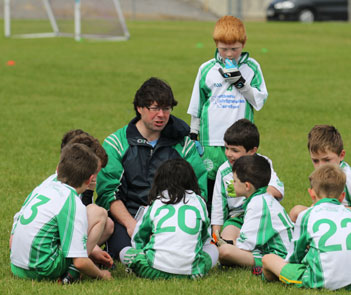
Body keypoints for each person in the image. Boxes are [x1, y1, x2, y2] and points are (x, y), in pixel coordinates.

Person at [96, 77, 208, 259]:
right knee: (123, 249)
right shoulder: (116, 143)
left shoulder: (184, 144)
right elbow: (108, 194)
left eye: (166, 109)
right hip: (129, 219)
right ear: (140, 108)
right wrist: (133, 226)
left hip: (171, 220)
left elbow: (198, 191)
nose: (162, 115)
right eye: (154, 108)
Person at [187, 15, 268, 209]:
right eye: (224, 49)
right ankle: (208, 225)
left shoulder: (252, 68)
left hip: (239, 143)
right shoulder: (207, 69)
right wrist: (193, 134)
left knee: (236, 186)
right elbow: (198, 104)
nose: (229, 54)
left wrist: (240, 82)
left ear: (244, 43)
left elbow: (259, 101)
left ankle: (233, 221)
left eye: (235, 49)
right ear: (216, 44)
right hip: (211, 142)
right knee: (209, 185)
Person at [10, 143, 112, 282]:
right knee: (98, 213)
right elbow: (80, 261)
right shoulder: (71, 201)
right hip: (43, 270)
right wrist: (102, 274)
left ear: (58, 169)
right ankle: (72, 274)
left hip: (16, 266)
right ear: (90, 180)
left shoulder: (43, 187)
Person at [262, 164, 351, 291]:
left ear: (312, 194)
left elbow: (295, 256)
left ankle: (272, 277)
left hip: (322, 280)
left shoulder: (306, 215)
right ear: (342, 196)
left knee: (267, 259)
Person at [119, 159, 218, 279]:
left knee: (124, 251)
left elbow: (139, 236)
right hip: (193, 273)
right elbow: (205, 238)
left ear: (159, 181)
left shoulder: (156, 203)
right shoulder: (199, 202)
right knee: (213, 248)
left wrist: (142, 254)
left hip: (152, 271)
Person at [289, 125, 351, 233]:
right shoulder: (322, 176)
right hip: (336, 220)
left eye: (326, 160)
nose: (321, 166)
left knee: (299, 212)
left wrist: (330, 208)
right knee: (296, 212)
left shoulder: (348, 177)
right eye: (315, 161)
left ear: (341, 155)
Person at [211, 119, 284, 244]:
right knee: (225, 242)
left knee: (271, 241)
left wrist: (254, 198)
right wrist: (215, 235)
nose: (228, 154)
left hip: (262, 215)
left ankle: (246, 249)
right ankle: (239, 247)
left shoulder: (263, 163)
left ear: (252, 151)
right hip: (237, 218)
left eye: (235, 150)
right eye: (226, 148)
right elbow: (218, 205)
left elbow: (277, 191)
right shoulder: (223, 171)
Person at [217, 155, 293, 275]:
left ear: (247, 186)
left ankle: (263, 266)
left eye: (235, 180)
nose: (232, 184)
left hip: (281, 257)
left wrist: (228, 244)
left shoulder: (257, 204)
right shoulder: (262, 198)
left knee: (225, 251)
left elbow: (244, 245)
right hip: (275, 251)